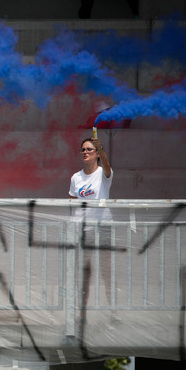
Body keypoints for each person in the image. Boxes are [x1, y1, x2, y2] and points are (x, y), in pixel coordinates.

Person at [69, 134, 116, 321]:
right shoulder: (76, 177)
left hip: (103, 226)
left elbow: (107, 167)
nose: (85, 152)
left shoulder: (104, 174)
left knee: (106, 271)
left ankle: (113, 312)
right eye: (83, 149)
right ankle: (82, 314)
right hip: (83, 230)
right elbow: (72, 203)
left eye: (89, 149)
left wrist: (102, 149)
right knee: (84, 272)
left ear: (97, 153)